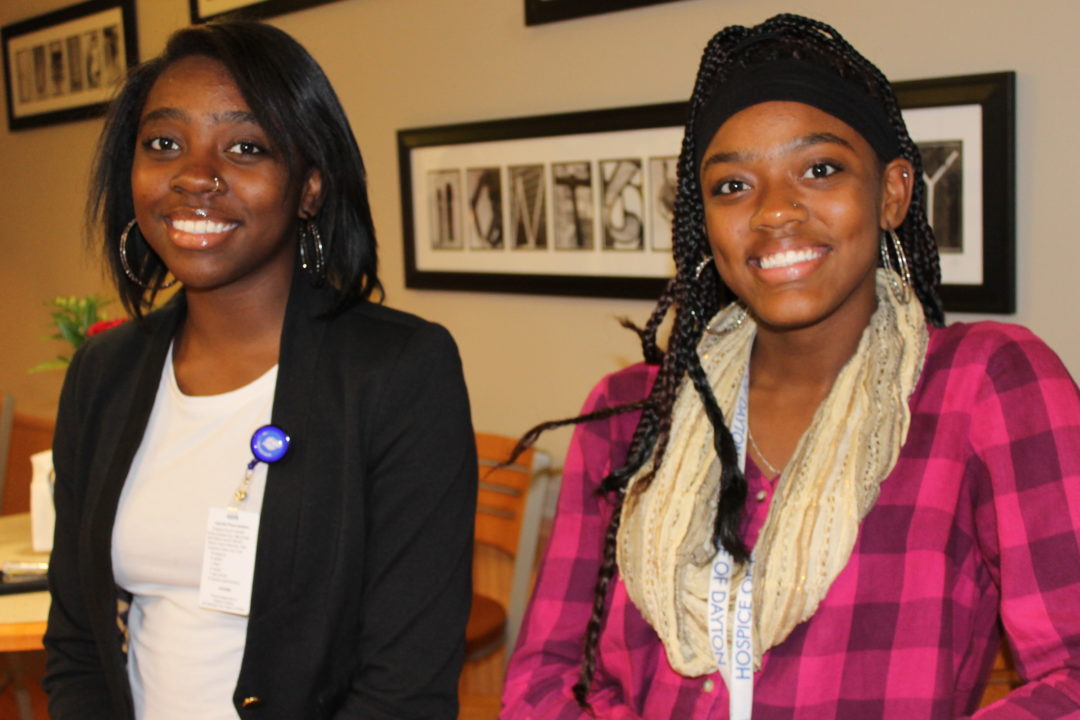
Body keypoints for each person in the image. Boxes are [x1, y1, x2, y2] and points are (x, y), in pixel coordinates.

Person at [502, 13, 1080, 719]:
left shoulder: (985, 387)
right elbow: (545, 681)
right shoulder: (630, 416)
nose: (774, 211)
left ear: (893, 192)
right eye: (732, 186)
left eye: (820, 169)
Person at [43, 21, 476, 720]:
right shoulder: (103, 373)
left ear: (310, 187)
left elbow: (404, 691)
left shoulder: (398, 371)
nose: (194, 175)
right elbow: (76, 645)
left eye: (245, 147)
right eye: (164, 143)